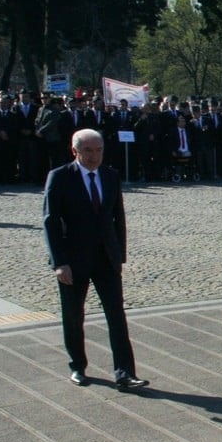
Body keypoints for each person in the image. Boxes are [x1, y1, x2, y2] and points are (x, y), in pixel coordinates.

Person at [43, 129, 148, 390]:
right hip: (73, 260)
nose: (94, 156)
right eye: (88, 151)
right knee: (73, 315)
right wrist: (59, 262)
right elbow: (51, 222)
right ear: (75, 151)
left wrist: (119, 254)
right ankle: (77, 366)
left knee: (116, 315)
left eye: (98, 150)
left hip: (105, 258)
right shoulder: (60, 177)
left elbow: (118, 218)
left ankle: (125, 372)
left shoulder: (110, 176)